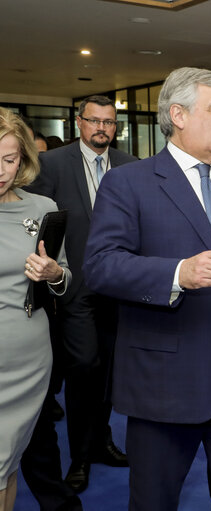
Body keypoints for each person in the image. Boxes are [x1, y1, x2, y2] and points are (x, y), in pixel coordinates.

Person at [82, 67, 211, 510]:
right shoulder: (129, 182)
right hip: (164, 381)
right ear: (179, 115)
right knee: (155, 500)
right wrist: (176, 274)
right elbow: (99, 266)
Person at [28, 95, 135, 493]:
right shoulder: (52, 165)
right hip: (74, 289)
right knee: (83, 369)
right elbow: (41, 227)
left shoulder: (129, 167)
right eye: (94, 121)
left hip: (120, 289)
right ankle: (80, 456)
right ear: (79, 123)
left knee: (110, 370)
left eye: (108, 122)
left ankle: (103, 439)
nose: (101, 128)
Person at [0, 107, 72, 511]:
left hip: (28, 354)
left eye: (10, 159)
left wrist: (53, 273)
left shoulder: (41, 208)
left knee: (7, 459)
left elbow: (66, 279)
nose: (1, 170)